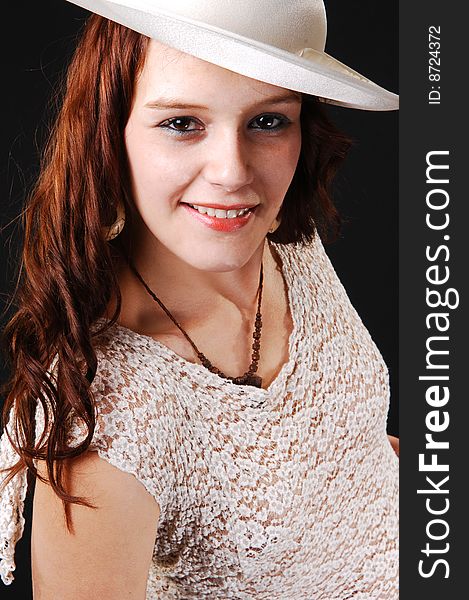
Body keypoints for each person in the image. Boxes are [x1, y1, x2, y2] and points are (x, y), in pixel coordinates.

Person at [0, 0, 399, 597]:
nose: (232, 173)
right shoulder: (108, 420)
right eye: (182, 123)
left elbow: (342, 457)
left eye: (268, 121)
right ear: (108, 131)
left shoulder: (287, 240)